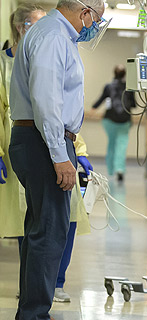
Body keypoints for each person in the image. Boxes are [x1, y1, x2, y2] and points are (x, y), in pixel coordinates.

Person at [9, 0, 106, 318]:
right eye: (96, 20)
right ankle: (34, 314)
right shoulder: (52, 35)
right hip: (42, 141)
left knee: (40, 230)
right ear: (85, 12)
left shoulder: (53, 35)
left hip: (40, 139)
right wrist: (59, 156)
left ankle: (30, 311)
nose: (93, 27)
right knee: (51, 232)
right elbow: (46, 99)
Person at [91, 64, 135, 183]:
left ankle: (110, 170)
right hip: (124, 121)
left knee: (111, 144)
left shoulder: (109, 86)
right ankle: (120, 169)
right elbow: (134, 105)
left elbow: (100, 100)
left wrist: (92, 108)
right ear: (124, 74)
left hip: (109, 120)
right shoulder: (129, 87)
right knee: (121, 145)